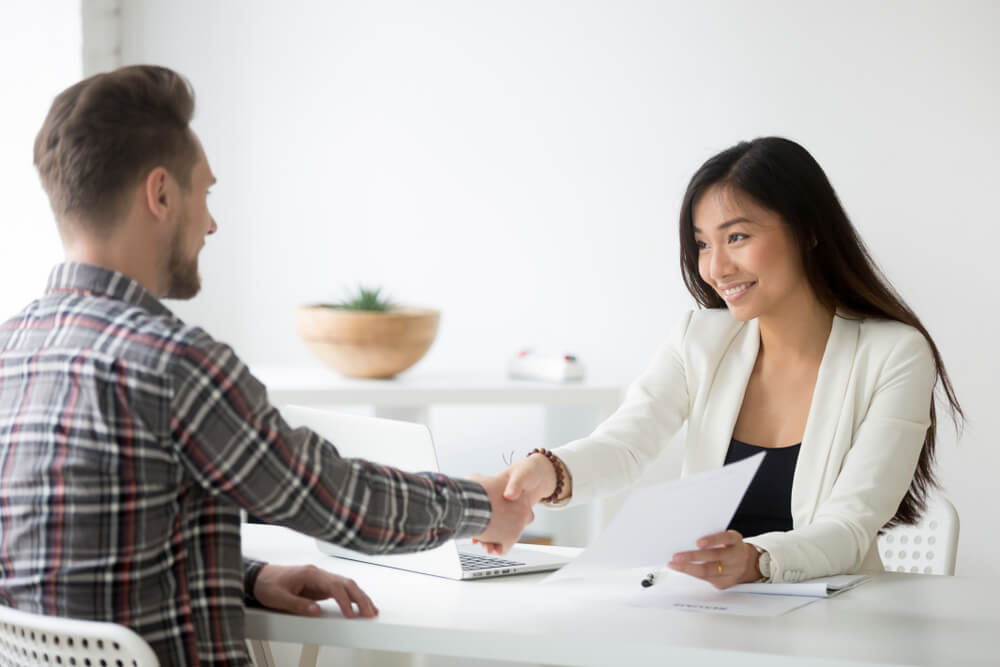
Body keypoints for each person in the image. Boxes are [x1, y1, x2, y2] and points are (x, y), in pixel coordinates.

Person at [0, 65, 533, 666]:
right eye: (205, 192)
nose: (210, 222)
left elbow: (75, 562)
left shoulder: (12, 351)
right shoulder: (174, 364)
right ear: (161, 194)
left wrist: (248, 577)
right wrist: (484, 503)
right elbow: (337, 500)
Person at [488, 137, 963, 588]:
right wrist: (547, 472)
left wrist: (758, 561)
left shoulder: (894, 355)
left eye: (736, 236)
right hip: (702, 609)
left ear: (810, 231)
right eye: (703, 244)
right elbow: (626, 445)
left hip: (832, 619)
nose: (715, 268)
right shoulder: (699, 339)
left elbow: (850, 525)